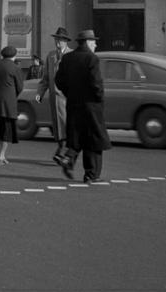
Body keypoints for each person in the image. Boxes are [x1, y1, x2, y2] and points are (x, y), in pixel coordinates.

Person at [54, 29, 111, 182]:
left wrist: (70, 94)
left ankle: (68, 159)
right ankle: (91, 174)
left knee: (77, 136)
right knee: (93, 139)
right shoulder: (91, 59)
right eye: (94, 42)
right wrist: (99, 98)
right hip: (91, 106)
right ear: (87, 42)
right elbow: (96, 83)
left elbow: (58, 81)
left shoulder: (67, 58)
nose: (96, 44)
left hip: (73, 105)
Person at [35, 26, 72, 163]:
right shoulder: (50, 56)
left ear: (66, 41)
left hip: (66, 97)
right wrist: (39, 93)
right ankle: (62, 150)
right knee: (57, 125)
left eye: (61, 40)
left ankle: (63, 151)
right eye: (56, 40)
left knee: (65, 124)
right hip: (53, 98)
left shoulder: (71, 55)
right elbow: (45, 78)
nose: (58, 43)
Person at [0, 45, 24, 165]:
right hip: (8, 103)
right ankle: (2, 155)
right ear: (14, 56)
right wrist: (13, 95)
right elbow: (20, 87)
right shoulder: (16, 68)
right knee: (6, 131)